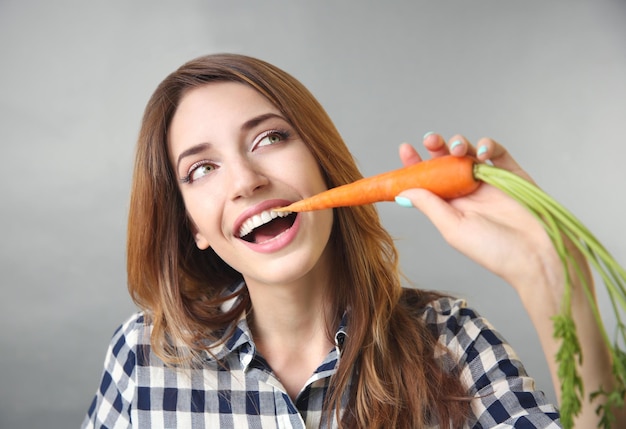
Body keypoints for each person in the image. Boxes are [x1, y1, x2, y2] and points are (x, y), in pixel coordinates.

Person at [82, 53, 623, 428]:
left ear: (324, 164)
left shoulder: (453, 344)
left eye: (269, 138)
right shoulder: (144, 359)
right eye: (202, 169)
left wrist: (554, 279)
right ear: (192, 227)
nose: (245, 180)